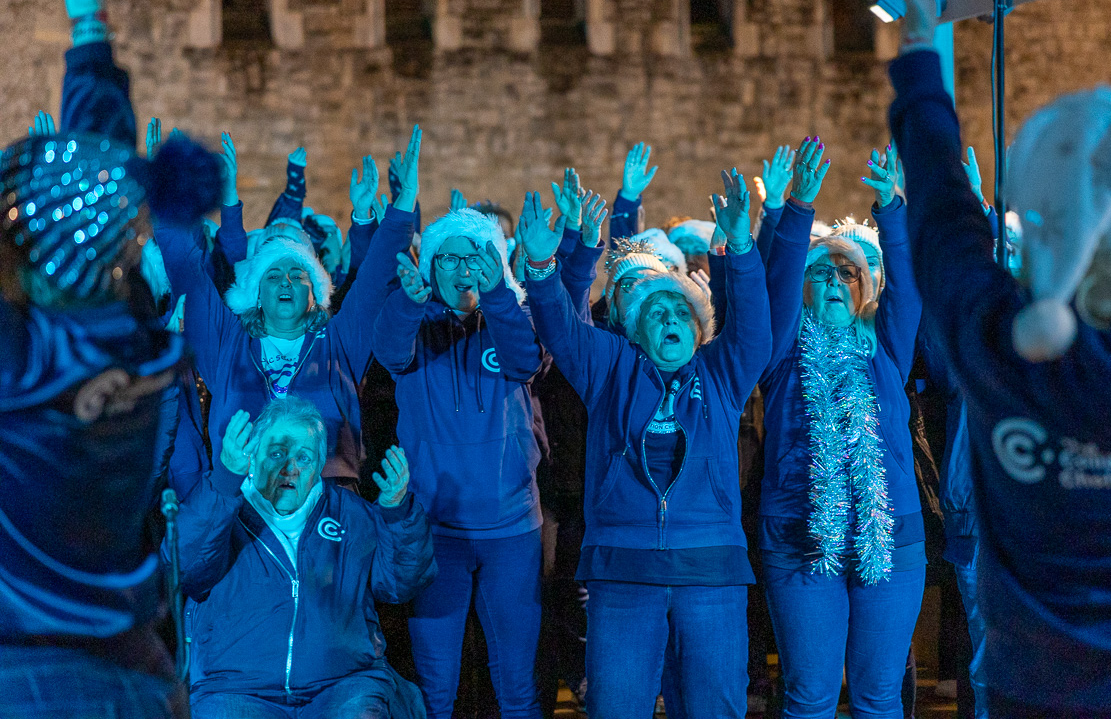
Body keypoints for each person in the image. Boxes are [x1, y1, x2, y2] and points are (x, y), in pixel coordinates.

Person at [892, 0, 1111, 718]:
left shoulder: (997, 341)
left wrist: (923, 48)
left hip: (1039, 691)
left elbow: (938, 209)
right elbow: (944, 215)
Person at [0, 0, 222, 715]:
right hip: (138, 675)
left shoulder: (20, 362)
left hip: (30, 675)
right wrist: (89, 23)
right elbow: (99, 188)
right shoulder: (139, 340)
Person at [521, 170, 770, 719]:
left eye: (682, 311)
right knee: (616, 708)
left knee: (714, 708)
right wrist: (544, 267)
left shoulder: (721, 375)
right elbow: (561, 327)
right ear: (635, 330)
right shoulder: (609, 368)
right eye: (657, 312)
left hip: (710, 574)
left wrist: (743, 246)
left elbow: (755, 331)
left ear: (700, 326)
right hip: (623, 574)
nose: (671, 318)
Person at [758, 136, 925, 718]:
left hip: (889, 540)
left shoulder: (887, 349)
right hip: (801, 540)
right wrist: (797, 209)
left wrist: (893, 209)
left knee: (880, 697)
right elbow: (770, 291)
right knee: (810, 697)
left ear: (867, 288)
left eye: (849, 274)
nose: (834, 282)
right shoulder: (780, 353)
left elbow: (909, 286)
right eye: (822, 273)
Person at [155, 131, 422, 485]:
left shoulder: (338, 342)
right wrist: (166, 197)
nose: (285, 281)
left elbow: (374, 280)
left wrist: (403, 207)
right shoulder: (227, 344)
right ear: (256, 295)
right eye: (273, 275)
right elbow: (187, 271)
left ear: (315, 293)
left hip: (329, 505)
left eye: (298, 274)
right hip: (245, 506)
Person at [373, 206, 545, 719]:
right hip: (435, 530)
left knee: (517, 688)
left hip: (511, 529)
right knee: (435, 690)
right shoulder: (413, 325)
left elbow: (525, 360)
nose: (462, 267)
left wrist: (499, 296)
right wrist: (409, 299)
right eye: (448, 256)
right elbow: (388, 350)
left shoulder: (512, 318)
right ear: (431, 267)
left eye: (476, 255)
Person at [176, 396, 435, 718]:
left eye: (304, 458)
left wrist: (396, 513)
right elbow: (184, 570)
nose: (290, 469)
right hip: (236, 688)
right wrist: (225, 480)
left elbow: (399, 585)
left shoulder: (350, 514)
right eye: (277, 454)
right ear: (252, 457)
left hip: (342, 684)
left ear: (319, 467)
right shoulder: (222, 508)